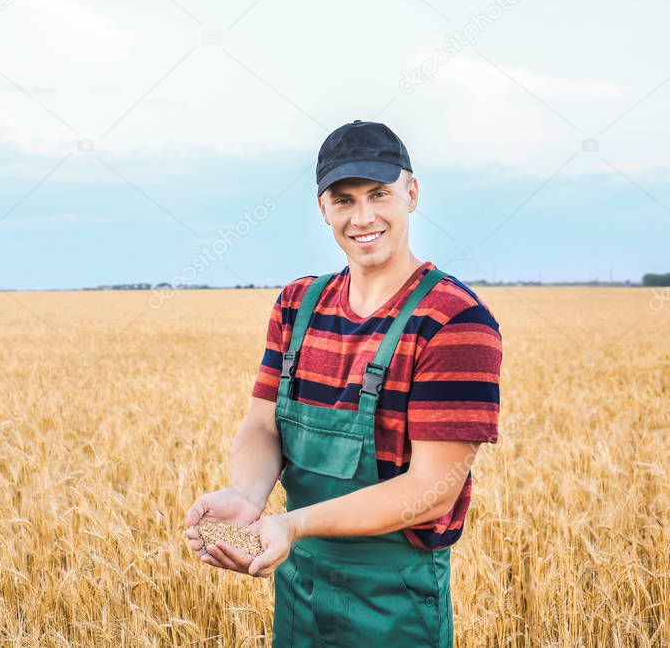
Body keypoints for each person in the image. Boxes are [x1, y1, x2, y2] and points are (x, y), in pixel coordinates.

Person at [183, 120, 503, 647]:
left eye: (379, 194)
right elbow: (263, 424)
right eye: (344, 199)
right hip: (298, 587)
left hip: (393, 603)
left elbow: (430, 492)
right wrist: (247, 494)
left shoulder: (453, 320)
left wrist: (292, 525)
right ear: (323, 208)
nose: (363, 217)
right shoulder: (297, 304)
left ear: (412, 194)